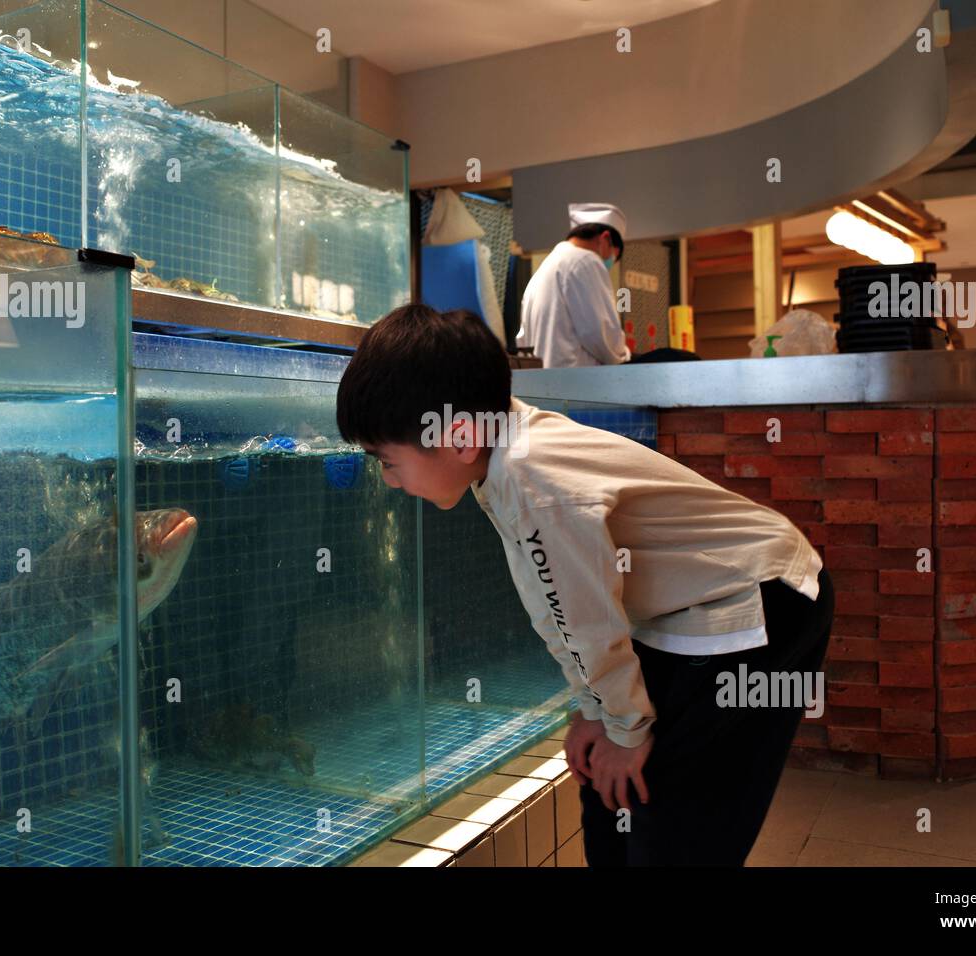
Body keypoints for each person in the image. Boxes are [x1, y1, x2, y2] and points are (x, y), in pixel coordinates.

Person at [336, 303, 835, 867]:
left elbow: (586, 621)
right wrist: (597, 714)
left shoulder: (535, 479)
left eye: (386, 459)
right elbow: (559, 609)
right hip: (688, 609)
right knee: (608, 792)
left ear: (456, 439)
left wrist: (624, 729)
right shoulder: (501, 454)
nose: (387, 479)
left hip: (762, 598)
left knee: (670, 816)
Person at [517, 202, 631, 367]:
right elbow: (600, 333)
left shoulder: (544, 268)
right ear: (605, 238)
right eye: (614, 256)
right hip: (577, 386)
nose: (610, 263)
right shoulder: (587, 261)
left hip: (540, 384)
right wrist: (624, 357)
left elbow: (523, 340)